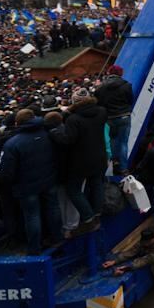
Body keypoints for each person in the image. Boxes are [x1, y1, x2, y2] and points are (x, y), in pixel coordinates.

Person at [0, 108, 63, 253]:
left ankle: (35, 246)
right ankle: (57, 238)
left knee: (32, 215)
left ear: (17, 123)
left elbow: (6, 172)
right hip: (49, 179)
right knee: (53, 208)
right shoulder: (48, 134)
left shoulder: (12, 143)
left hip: (26, 186)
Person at [51, 87, 108, 233]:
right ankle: (97, 213)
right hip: (100, 156)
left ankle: (89, 218)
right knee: (97, 184)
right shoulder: (101, 112)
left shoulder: (74, 119)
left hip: (81, 161)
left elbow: (68, 140)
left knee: (73, 189)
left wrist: (55, 132)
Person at [95, 64, 134, 175]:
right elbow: (130, 100)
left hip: (109, 118)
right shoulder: (127, 85)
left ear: (109, 73)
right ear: (120, 73)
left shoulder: (100, 87)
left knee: (111, 141)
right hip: (124, 116)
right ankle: (124, 168)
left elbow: (99, 103)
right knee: (123, 143)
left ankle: (113, 164)